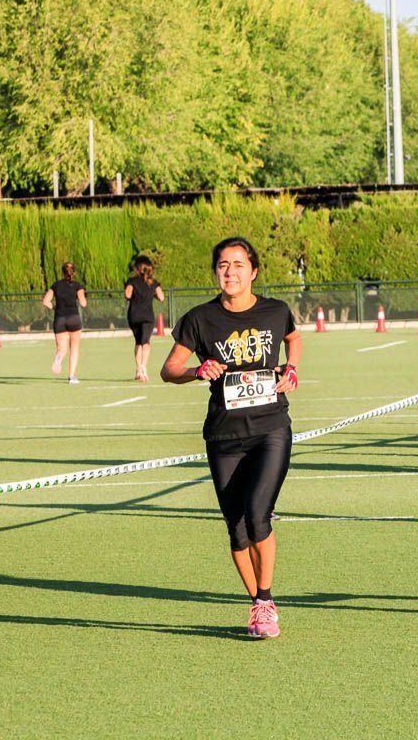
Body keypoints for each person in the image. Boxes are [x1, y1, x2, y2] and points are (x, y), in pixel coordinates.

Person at [160, 237, 301, 639]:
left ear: (253, 271)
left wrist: (291, 368)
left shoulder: (276, 311)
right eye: (223, 265)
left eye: (239, 265)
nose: (230, 272)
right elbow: (169, 369)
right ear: (215, 272)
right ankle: (258, 603)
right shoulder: (200, 319)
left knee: (258, 513)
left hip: (270, 428)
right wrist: (196, 371)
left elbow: (293, 338)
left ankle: (266, 598)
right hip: (223, 435)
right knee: (236, 527)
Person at [42, 261, 87, 384]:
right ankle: (71, 376)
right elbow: (83, 303)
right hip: (74, 318)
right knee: (74, 348)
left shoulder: (56, 285)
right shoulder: (77, 286)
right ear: (74, 272)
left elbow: (45, 301)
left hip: (60, 319)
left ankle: (58, 359)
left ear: (62, 272)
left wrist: (55, 307)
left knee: (62, 349)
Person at [125, 255, 166, 382]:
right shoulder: (153, 282)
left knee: (138, 342)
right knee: (146, 342)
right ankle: (143, 366)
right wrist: (151, 294)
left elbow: (128, 295)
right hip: (147, 316)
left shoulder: (132, 281)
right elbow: (161, 297)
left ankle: (138, 369)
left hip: (134, 315)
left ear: (138, 268)